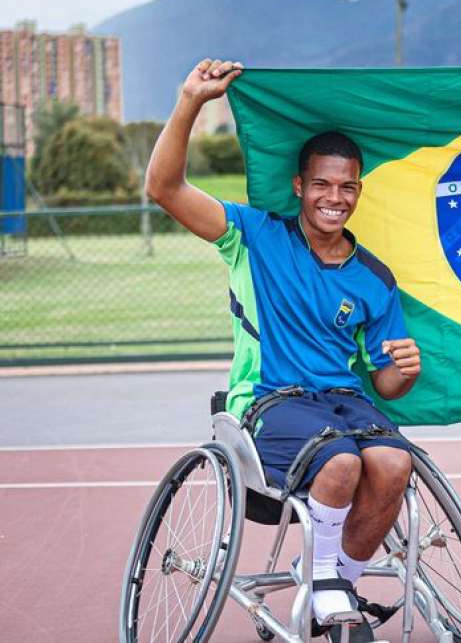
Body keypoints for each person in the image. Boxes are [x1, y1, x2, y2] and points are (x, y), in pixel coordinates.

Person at [145, 58, 421, 635]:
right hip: (270, 400)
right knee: (342, 461)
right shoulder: (254, 236)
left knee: (395, 463)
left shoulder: (375, 277)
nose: (334, 197)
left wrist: (404, 371)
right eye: (322, 184)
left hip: (343, 399)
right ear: (301, 186)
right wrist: (190, 101)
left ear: (359, 191)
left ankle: (329, 575)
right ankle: (325, 588)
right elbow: (164, 188)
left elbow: (387, 383)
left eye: (347, 186)